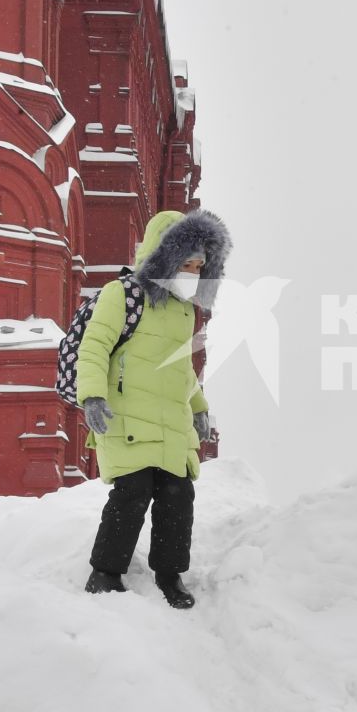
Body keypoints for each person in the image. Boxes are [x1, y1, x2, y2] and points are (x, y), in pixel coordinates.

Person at [76, 208, 231, 609]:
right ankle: (105, 573)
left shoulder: (184, 312)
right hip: (126, 415)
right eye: (186, 263)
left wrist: (198, 407)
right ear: (163, 256)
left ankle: (170, 574)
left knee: (178, 498)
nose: (193, 272)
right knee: (132, 493)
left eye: (200, 266)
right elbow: (93, 347)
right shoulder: (122, 295)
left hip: (170, 421)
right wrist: (92, 395)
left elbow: (182, 368)